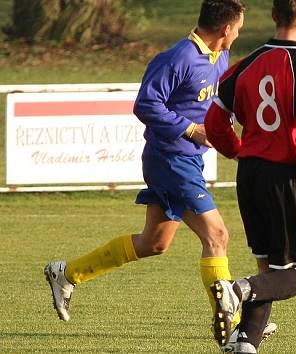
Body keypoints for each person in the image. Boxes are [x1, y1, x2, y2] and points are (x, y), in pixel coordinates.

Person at [44, 0, 246, 332]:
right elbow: (146, 104)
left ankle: (66, 273)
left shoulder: (219, 56)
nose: (239, 33)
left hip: (188, 161)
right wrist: (191, 129)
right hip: (169, 160)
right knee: (217, 235)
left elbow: (215, 101)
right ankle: (233, 327)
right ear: (226, 29)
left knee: (154, 243)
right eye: (238, 28)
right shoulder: (177, 58)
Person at [204, 1, 296, 352]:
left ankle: (246, 341)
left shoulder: (243, 67)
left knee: (271, 268)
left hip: (250, 174)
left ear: (274, 16)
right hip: (284, 176)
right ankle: (237, 289)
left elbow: (216, 124)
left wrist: (238, 151)